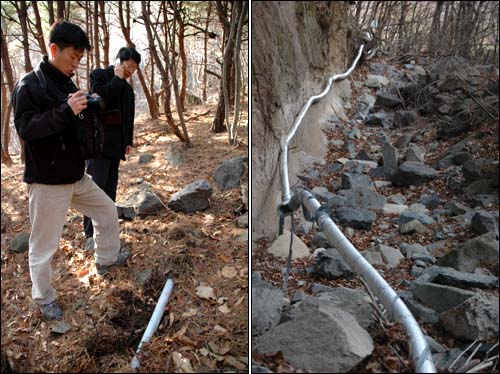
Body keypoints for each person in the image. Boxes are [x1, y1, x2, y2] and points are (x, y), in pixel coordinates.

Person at [12, 21, 130, 321]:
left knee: (106, 211)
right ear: (54, 49)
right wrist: (66, 110)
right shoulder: (30, 85)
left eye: (79, 59)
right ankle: (44, 297)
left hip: (77, 175)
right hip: (48, 180)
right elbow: (27, 128)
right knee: (44, 245)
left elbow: (73, 120)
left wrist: (86, 106)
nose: (76, 64)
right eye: (72, 57)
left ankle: (105, 260)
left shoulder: (67, 82)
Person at [83, 47, 141, 251]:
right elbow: (97, 103)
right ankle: (90, 234)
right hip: (98, 145)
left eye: (133, 69)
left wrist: (128, 141)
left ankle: (106, 228)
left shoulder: (128, 90)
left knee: (109, 189)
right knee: (94, 188)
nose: (130, 71)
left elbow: (128, 118)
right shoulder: (99, 75)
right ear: (118, 61)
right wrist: (116, 79)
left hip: (116, 147)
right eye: (128, 66)